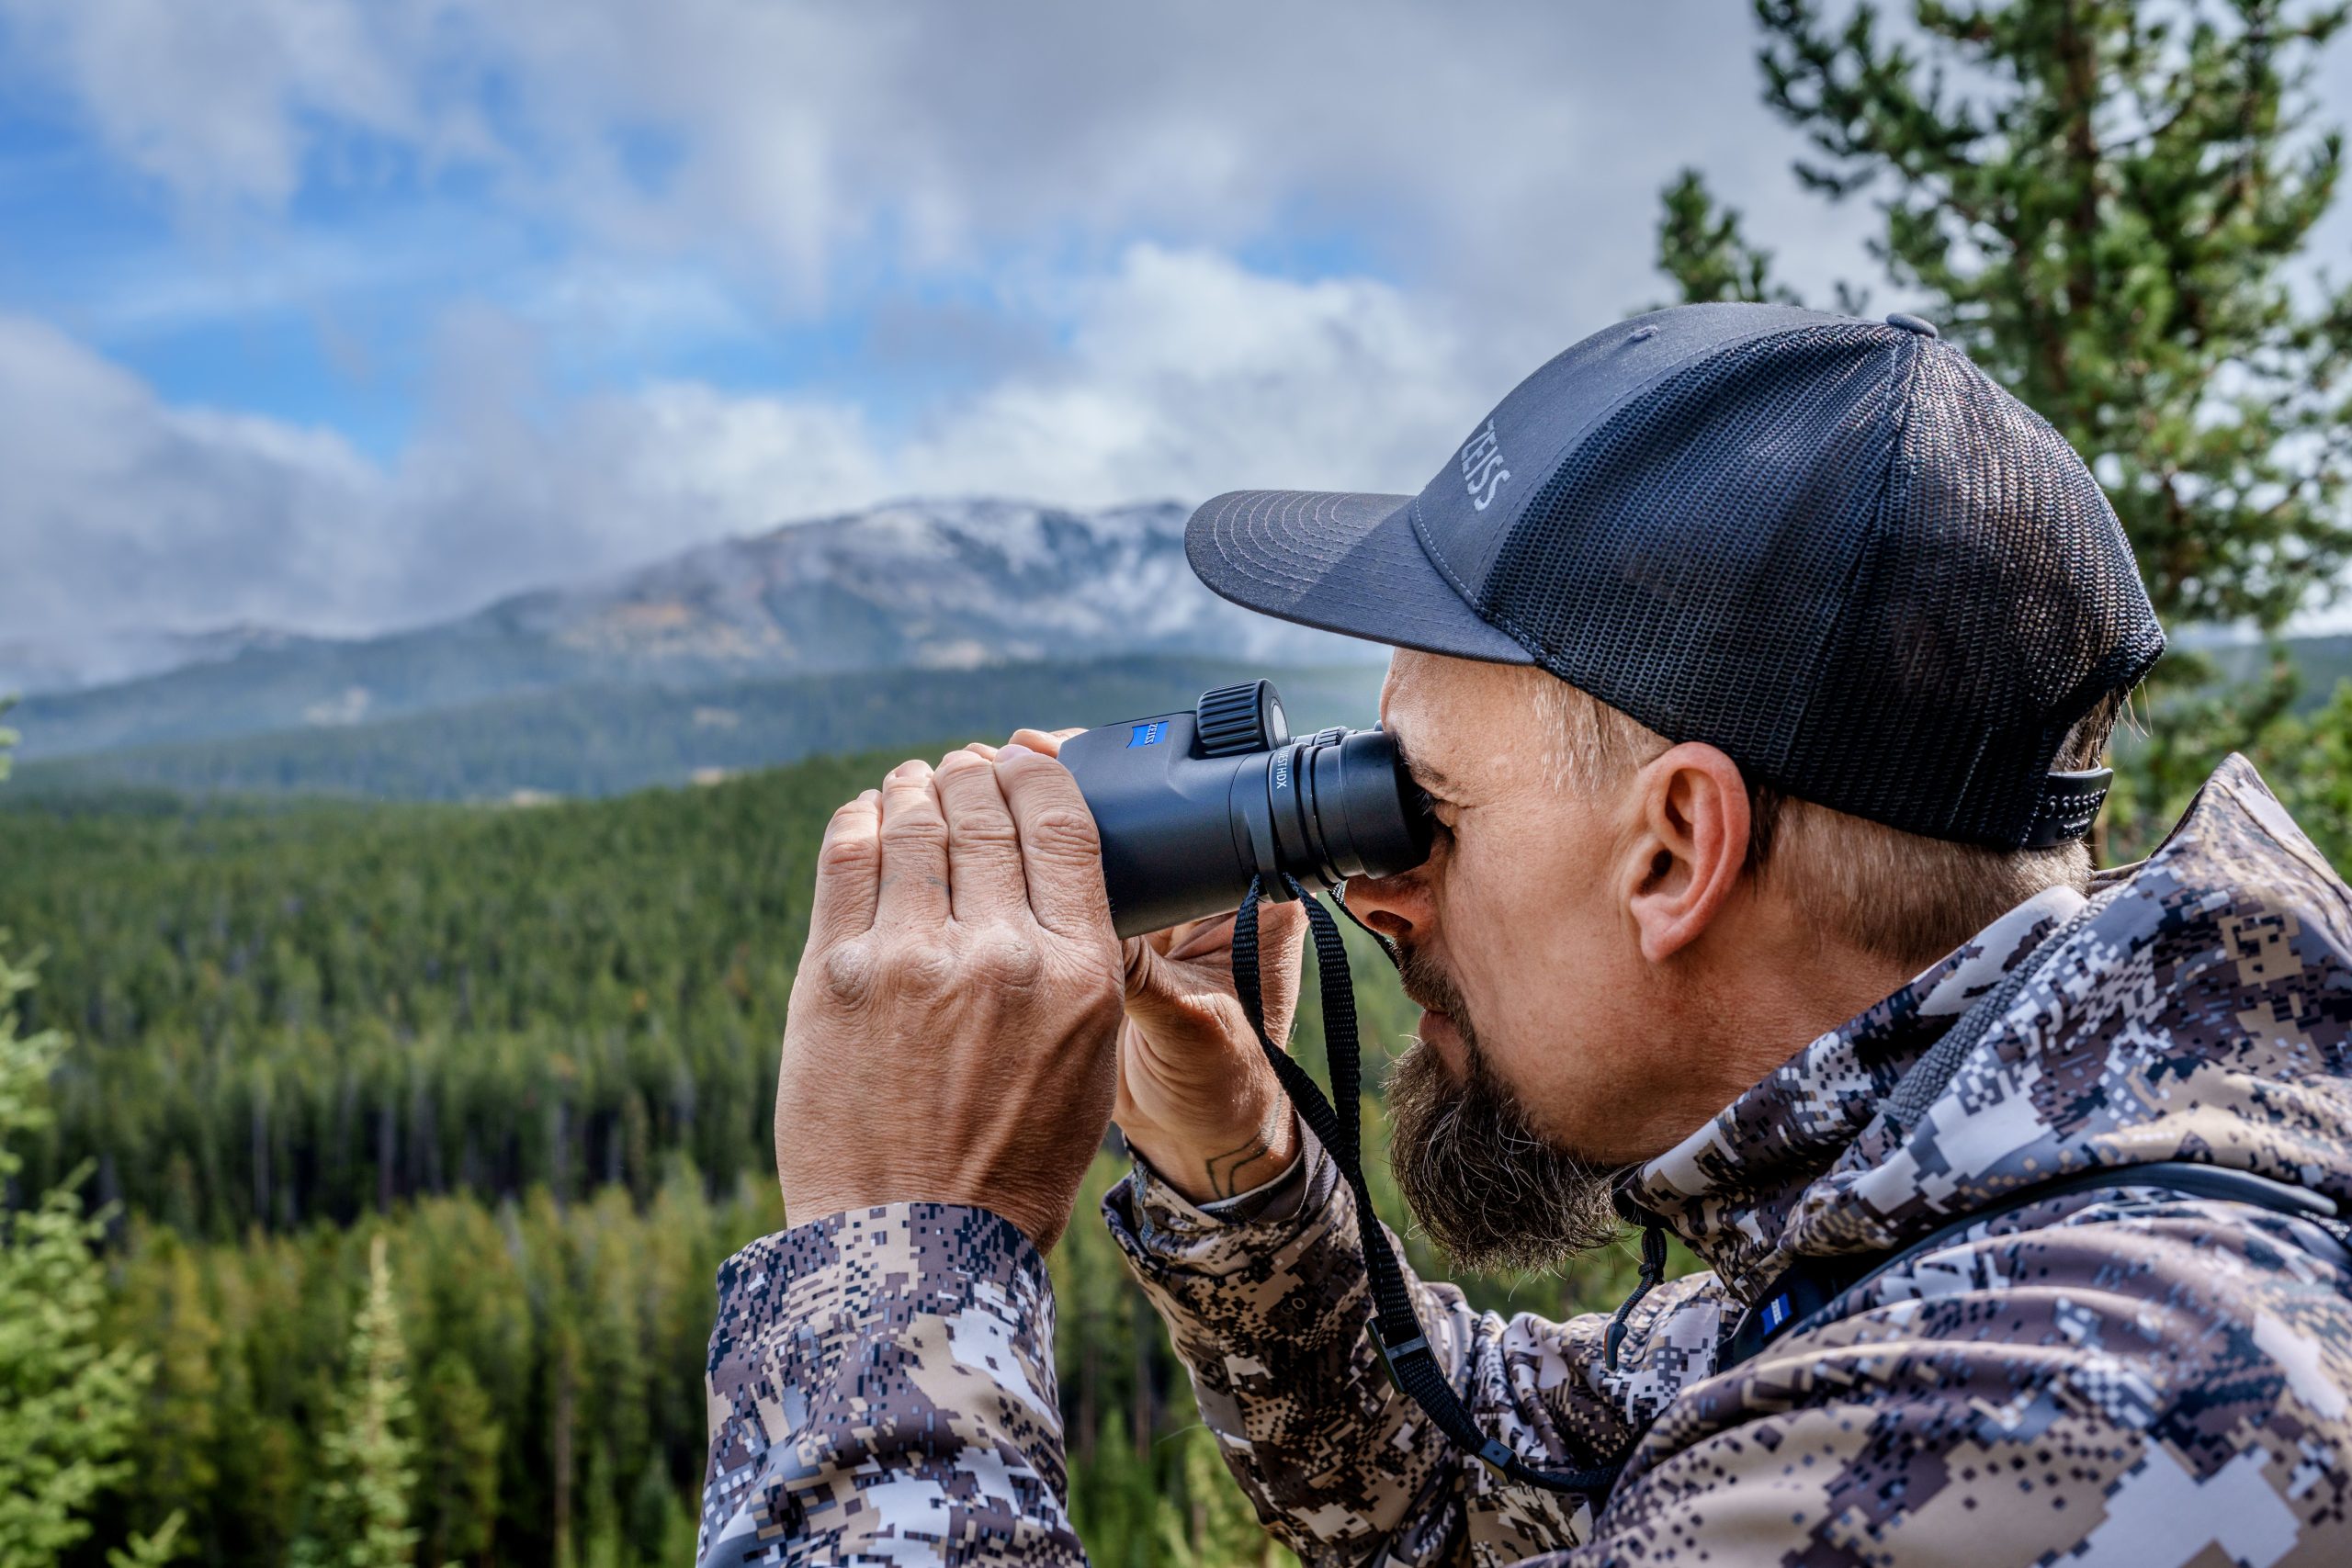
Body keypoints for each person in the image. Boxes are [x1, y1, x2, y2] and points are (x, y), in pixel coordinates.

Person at [694, 304, 2352, 1566]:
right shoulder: (2026, 1200)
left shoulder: (2042, 1413)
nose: (1371, 889)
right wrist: (1238, 1155)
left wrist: (893, 1261)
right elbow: (1509, 1487)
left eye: (1426, 812)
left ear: (1678, 847)